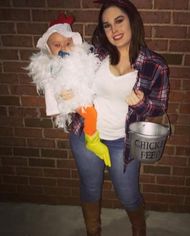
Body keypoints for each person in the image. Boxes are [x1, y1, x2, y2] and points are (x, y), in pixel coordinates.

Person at [69, 0, 170, 235]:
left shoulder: (155, 65)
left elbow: (159, 106)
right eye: (106, 25)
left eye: (119, 20)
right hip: (86, 136)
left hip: (122, 142)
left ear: (132, 20)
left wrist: (142, 102)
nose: (113, 30)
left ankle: (138, 228)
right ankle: (93, 231)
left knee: (128, 194)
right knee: (90, 189)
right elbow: (69, 73)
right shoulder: (96, 55)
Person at [27, 13, 111, 167]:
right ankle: (92, 140)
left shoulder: (81, 58)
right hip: (72, 99)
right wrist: (61, 96)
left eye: (67, 43)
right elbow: (52, 86)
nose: (63, 48)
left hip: (87, 97)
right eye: (57, 45)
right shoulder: (53, 66)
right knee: (91, 113)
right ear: (49, 48)